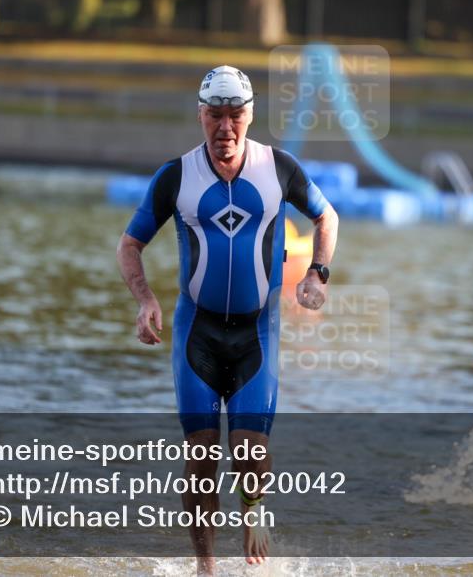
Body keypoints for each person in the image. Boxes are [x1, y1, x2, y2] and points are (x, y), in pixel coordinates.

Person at [116, 65, 339, 574]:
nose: (225, 129)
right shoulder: (176, 176)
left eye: (234, 116)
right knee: (200, 459)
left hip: (257, 332)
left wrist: (318, 275)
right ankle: (206, 567)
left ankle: (255, 517)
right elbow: (130, 245)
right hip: (197, 331)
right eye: (214, 116)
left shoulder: (279, 167)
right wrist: (146, 299)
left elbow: (327, 217)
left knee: (250, 453)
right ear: (200, 116)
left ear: (250, 116)